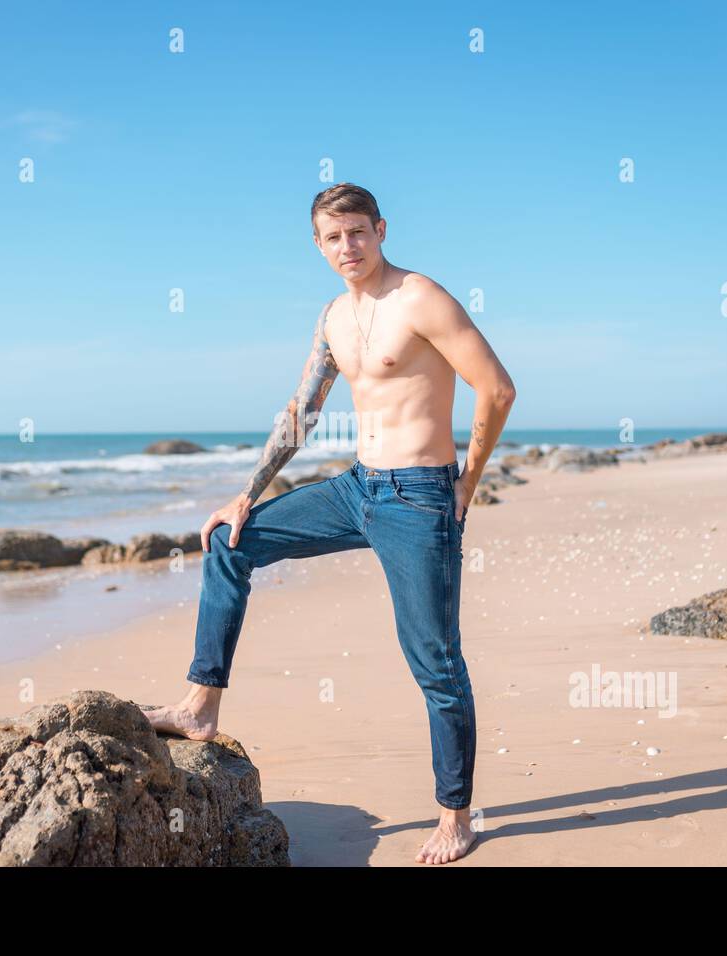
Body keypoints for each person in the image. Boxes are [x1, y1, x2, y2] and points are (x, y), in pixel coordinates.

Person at [141, 183, 516, 864]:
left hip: (419, 497)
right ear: (318, 245)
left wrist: (465, 486)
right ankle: (200, 705)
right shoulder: (333, 319)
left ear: (380, 229)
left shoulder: (420, 297)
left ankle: (455, 816)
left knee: (434, 662)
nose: (348, 246)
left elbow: (496, 386)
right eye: (333, 237)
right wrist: (247, 494)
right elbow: (301, 414)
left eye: (358, 232)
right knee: (233, 543)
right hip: (357, 488)